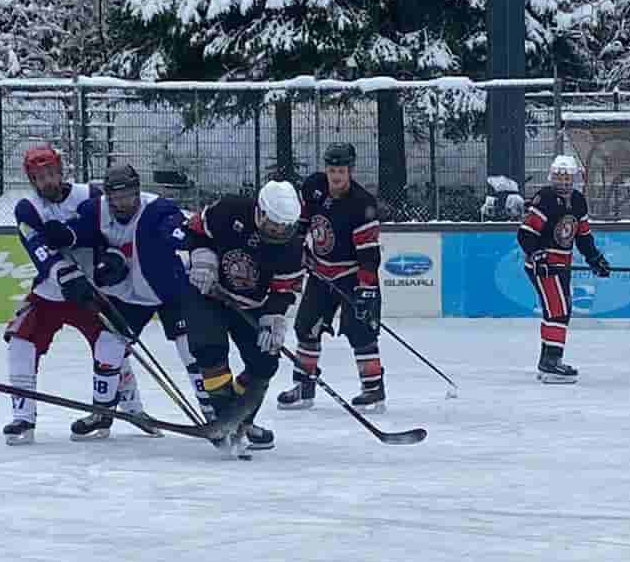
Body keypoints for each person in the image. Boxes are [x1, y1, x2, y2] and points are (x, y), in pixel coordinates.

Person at [39, 161, 199, 438]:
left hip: (168, 293)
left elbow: (177, 229)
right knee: (107, 346)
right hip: (128, 295)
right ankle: (102, 413)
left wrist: (181, 238)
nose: (123, 203)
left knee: (191, 350)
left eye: (128, 196)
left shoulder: (158, 209)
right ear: (107, 195)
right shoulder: (95, 210)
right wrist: (64, 234)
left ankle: (213, 412)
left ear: (138, 192)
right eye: (116, 197)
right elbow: (79, 231)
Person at [181, 179, 305, 455]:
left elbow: (284, 289)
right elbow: (195, 231)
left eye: (285, 227)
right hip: (210, 293)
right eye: (274, 224)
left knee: (265, 362)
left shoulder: (293, 247)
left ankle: (240, 421)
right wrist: (203, 259)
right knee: (208, 348)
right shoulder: (229, 210)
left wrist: (273, 316)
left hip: (253, 304)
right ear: (260, 211)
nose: (278, 232)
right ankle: (225, 418)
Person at [2, 141, 104, 444]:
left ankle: (124, 409)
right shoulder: (27, 208)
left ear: (61, 171)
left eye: (50, 173)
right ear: (32, 180)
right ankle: (23, 417)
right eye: (38, 176)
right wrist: (65, 274)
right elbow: (37, 249)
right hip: (51, 291)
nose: (46, 181)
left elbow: (104, 233)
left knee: (113, 345)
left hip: (92, 290)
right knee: (20, 341)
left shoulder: (90, 195)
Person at [278, 140, 386, 412]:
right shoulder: (313, 187)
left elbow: (369, 255)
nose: (335, 176)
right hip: (321, 272)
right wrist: (297, 250)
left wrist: (366, 290)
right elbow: (301, 224)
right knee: (305, 326)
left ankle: (373, 388)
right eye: (331, 170)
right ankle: (304, 385)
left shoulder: (362, 204)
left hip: (351, 274)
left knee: (361, 330)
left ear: (350, 171)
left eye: (341, 171)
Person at [517, 153, 611, 383]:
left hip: (562, 265)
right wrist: (537, 255)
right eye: (559, 177)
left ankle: (548, 360)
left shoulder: (578, 200)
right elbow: (526, 234)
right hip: (545, 266)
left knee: (560, 310)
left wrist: (594, 258)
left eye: (567, 177)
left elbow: (583, 235)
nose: (564, 182)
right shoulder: (545, 199)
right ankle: (551, 363)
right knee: (557, 311)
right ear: (552, 177)